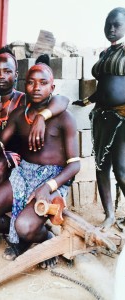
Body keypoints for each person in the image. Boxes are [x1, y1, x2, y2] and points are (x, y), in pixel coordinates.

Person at [0, 62, 80, 267]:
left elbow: (75, 166)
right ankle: (24, 235)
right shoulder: (18, 115)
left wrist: (48, 187)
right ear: (24, 85)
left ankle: (45, 239)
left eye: (43, 83)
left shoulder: (64, 118)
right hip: (23, 175)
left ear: (52, 88)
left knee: (25, 226)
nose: (36, 88)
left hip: (52, 179)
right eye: (31, 83)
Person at [0, 47, 70, 183]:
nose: (1, 76)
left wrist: (41, 116)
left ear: (16, 75)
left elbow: (62, 100)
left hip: (19, 163)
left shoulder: (26, 100)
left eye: (7, 71)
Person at [72, 7, 125, 231]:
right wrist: (87, 101)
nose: (111, 29)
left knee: (121, 168)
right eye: (108, 25)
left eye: (117, 25)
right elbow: (104, 86)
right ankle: (109, 216)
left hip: (122, 116)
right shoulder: (105, 53)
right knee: (101, 166)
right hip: (101, 115)